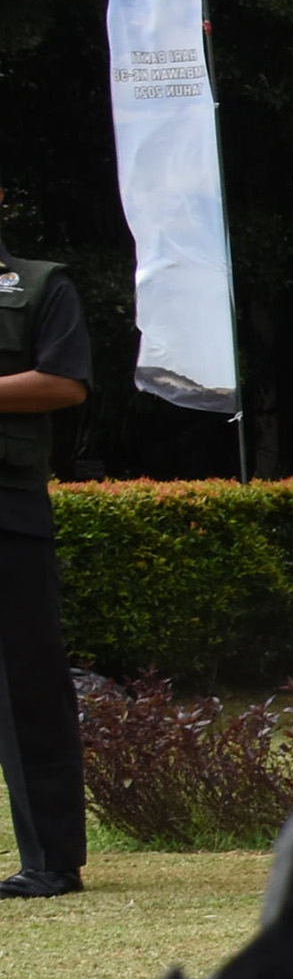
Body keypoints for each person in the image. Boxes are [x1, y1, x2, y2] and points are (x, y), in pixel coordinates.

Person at [0, 213, 89, 898]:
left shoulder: (39, 285)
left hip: (9, 506)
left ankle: (50, 861)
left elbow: (64, 381)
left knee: (28, 683)